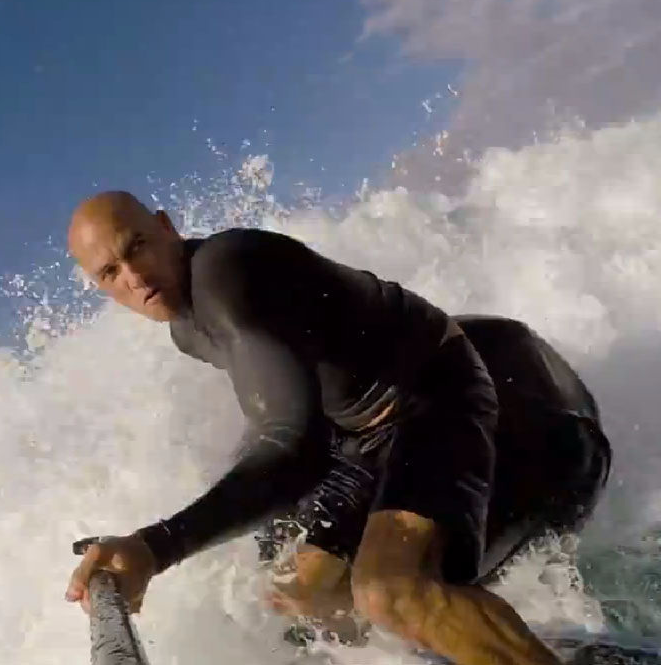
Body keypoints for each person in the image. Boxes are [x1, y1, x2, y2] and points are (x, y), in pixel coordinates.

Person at [62, 191, 612, 665]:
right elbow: (285, 414)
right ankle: (457, 635)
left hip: (429, 390)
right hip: (363, 439)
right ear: (100, 287)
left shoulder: (226, 272)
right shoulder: (185, 331)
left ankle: (454, 622)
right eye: (111, 273)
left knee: (388, 589)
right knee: (298, 595)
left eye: (137, 246)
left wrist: (155, 547)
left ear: (165, 227)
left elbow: (294, 447)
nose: (135, 277)